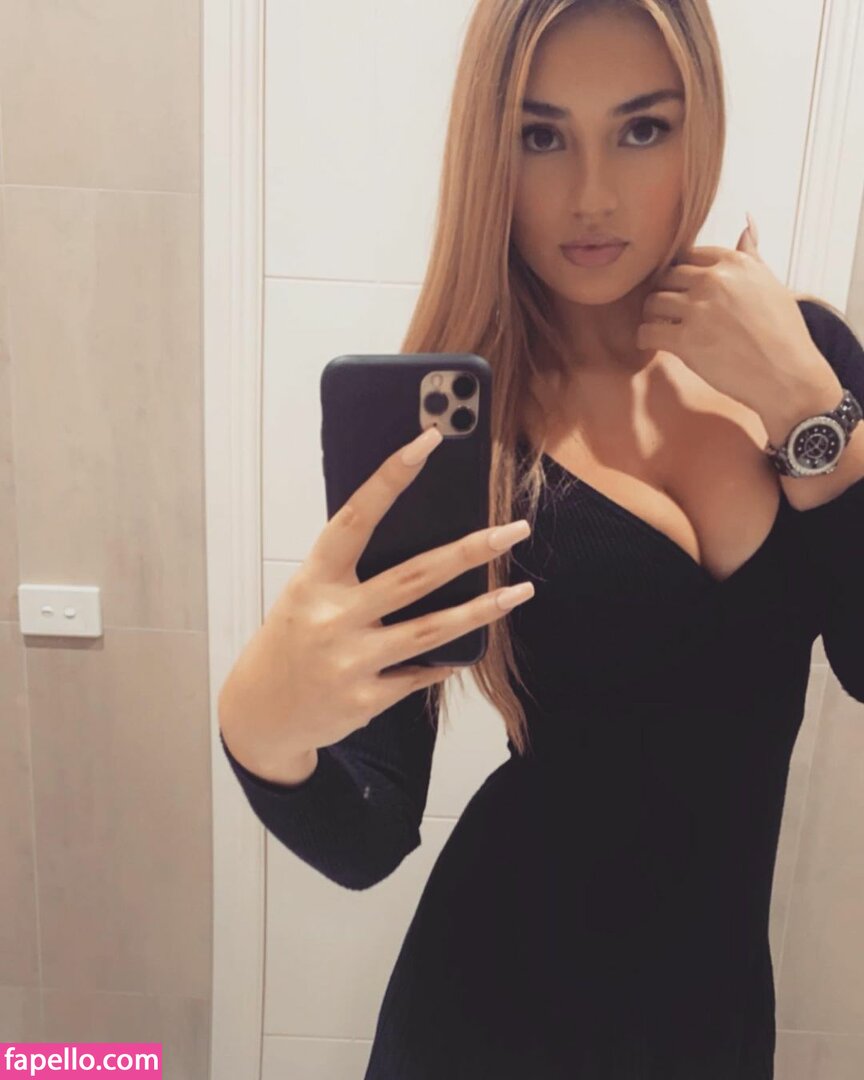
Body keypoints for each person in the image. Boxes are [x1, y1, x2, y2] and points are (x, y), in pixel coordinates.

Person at [217, 1, 864, 1076]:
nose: (592, 194)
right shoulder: (457, 430)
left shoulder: (806, 358)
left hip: (711, 1021)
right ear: (491, 148)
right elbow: (371, 830)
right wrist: (258, 730)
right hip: (490, 1015)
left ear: (699, 125)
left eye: (642, 128)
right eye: (540, 134)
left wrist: (811, 413)